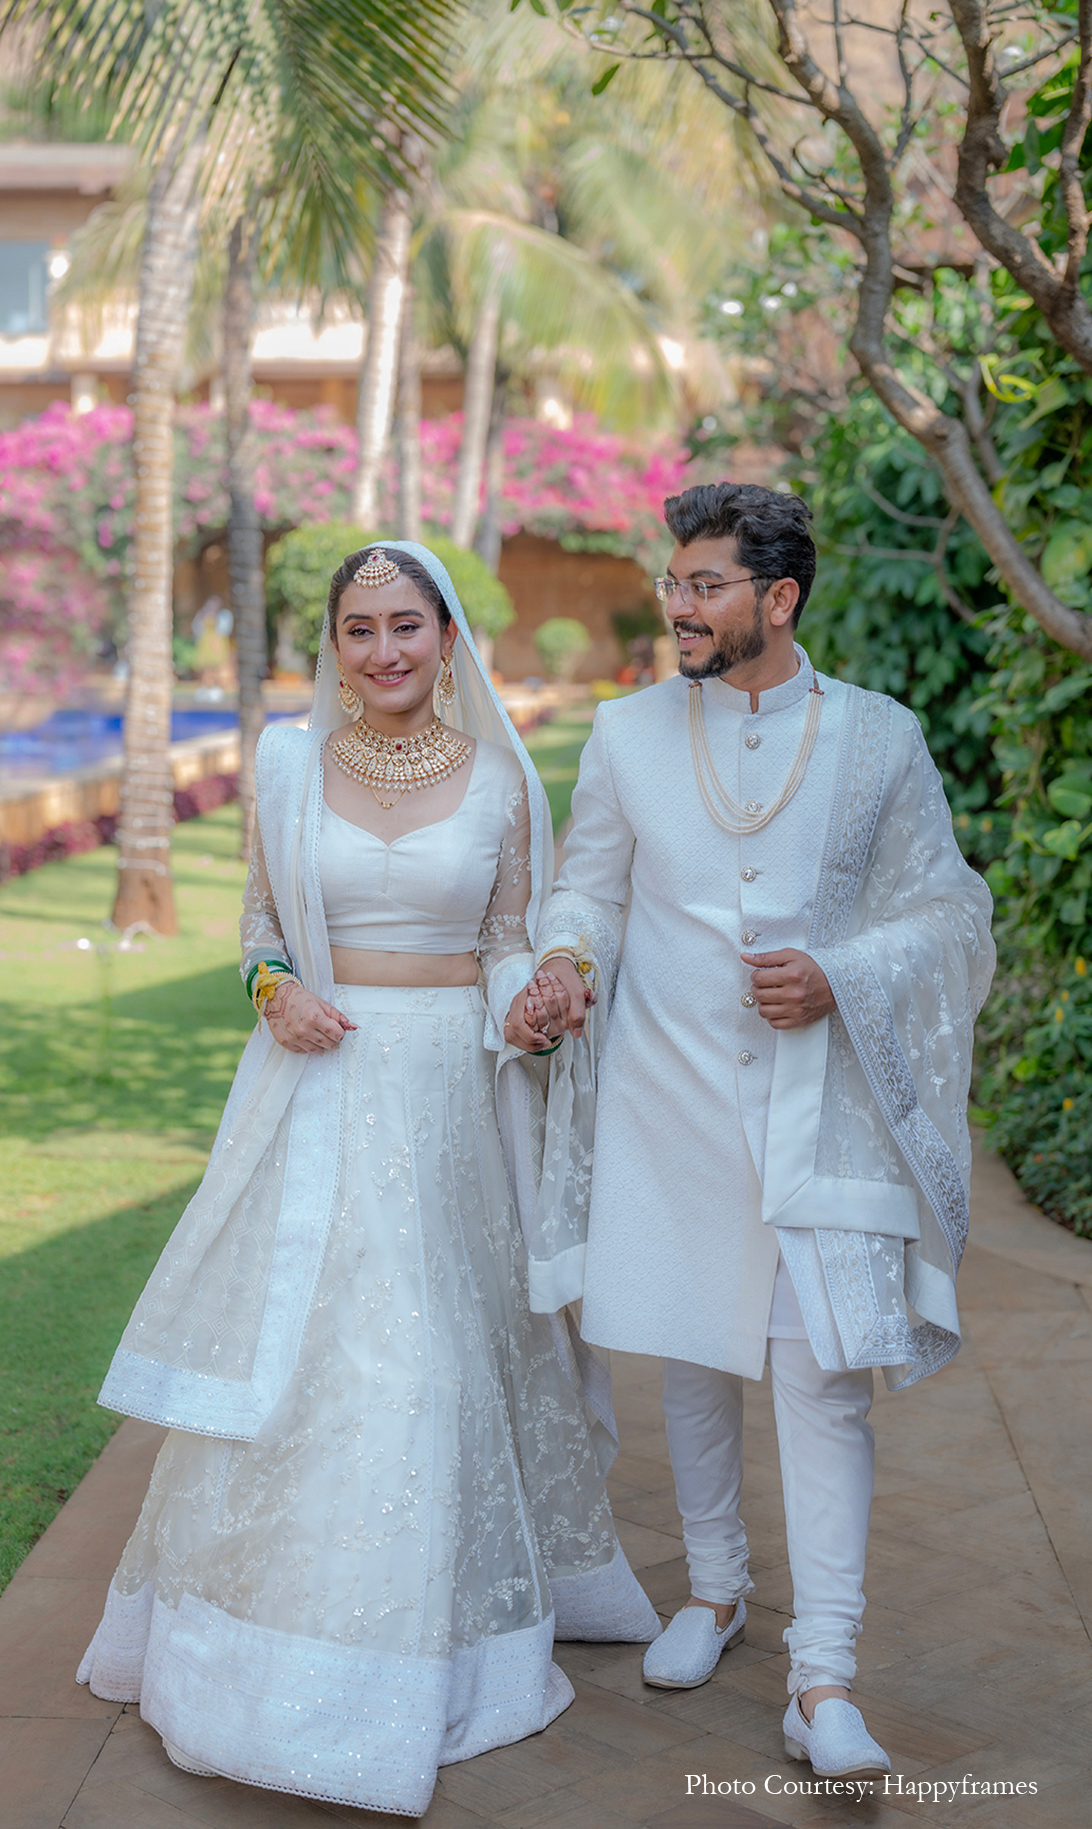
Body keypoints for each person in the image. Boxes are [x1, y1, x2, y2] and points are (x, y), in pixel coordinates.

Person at [76, 542, 659, 1816]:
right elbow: (258, 933)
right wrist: (274, 996)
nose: (385, 650)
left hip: (447, 1092)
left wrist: (538, 1006)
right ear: (331, 645)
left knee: (427, 1350)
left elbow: (506, 940)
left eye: (407, 625)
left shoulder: (502, 778)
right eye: (359, 629)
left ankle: (417, 1661)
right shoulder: (286, 768)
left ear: (447, 637)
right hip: (318, 1085)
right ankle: (251, 1655)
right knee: (309, 1349)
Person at [508, 484, 994, 1782]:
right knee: (693, 1347)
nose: (679, 604)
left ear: (777, 599)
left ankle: (823, 1674)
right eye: (676, 582)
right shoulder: (624, 733)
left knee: (821, 1376)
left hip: (819, 1104)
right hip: (667, 1090)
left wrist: (840, 972)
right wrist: (564, 963)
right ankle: (714, 1592)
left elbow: (949, 912)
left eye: (706, 584)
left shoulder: (880, 740)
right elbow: (589, 886)